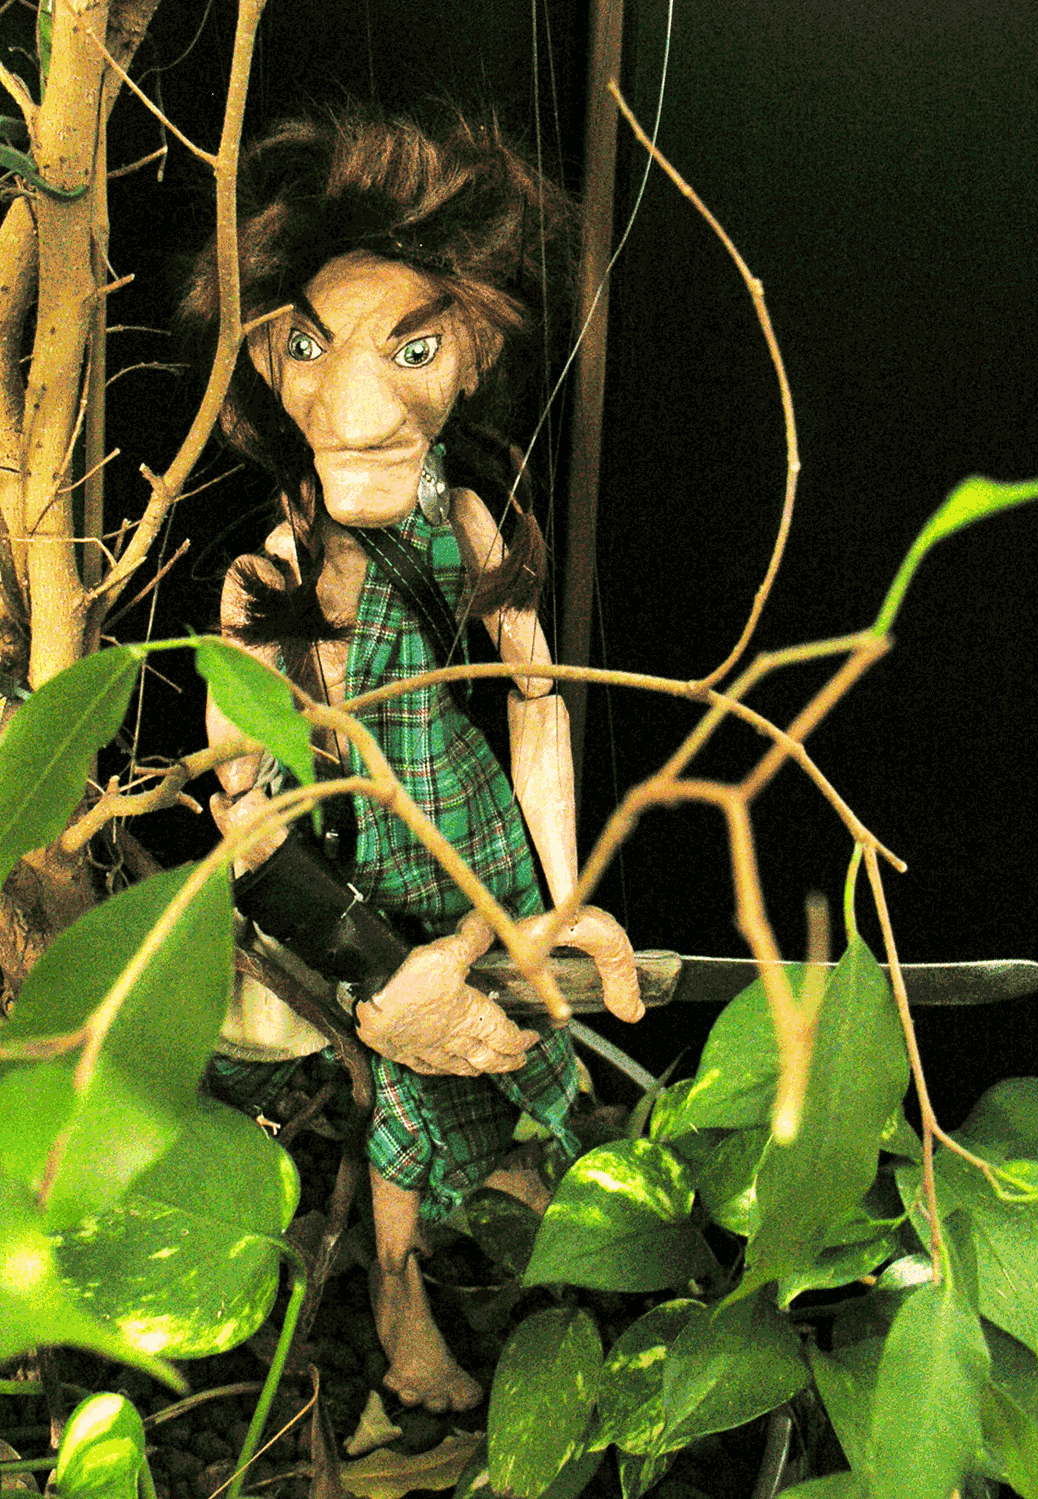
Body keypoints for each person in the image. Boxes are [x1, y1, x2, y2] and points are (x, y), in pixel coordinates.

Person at [180, 105, 642, 1413]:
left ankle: (531, 1253)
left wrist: (560, 894)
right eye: (308, 347)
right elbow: (249, 823)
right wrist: (383, 973)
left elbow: (536, 709)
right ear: (265, 361)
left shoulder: (472, 526)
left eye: (416, 346)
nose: (361, 406)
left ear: (475, 350)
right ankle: (398, 1309)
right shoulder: (263, 584)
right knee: (404, 1094)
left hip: (477, 843)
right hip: (365, 881)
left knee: (520, 1058)